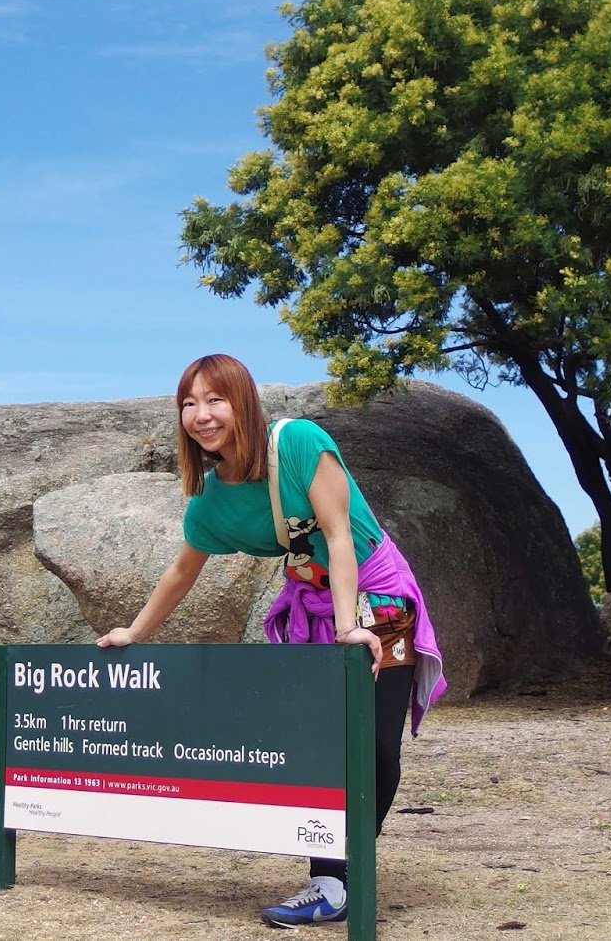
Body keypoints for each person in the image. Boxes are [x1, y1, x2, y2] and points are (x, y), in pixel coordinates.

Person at [97, 353, 446, 929]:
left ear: (244, 403)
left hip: (381, 604)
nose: (202, 414)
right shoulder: (212, 500)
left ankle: (351, 862)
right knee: (322, 749)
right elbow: (183, 571)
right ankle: (330, 881)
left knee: (379, 747)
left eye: (215, 399)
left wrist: (348, 629)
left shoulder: (300, 444)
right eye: (189, 402)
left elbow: (338, 536)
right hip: (314, 611)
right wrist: (134, 632)